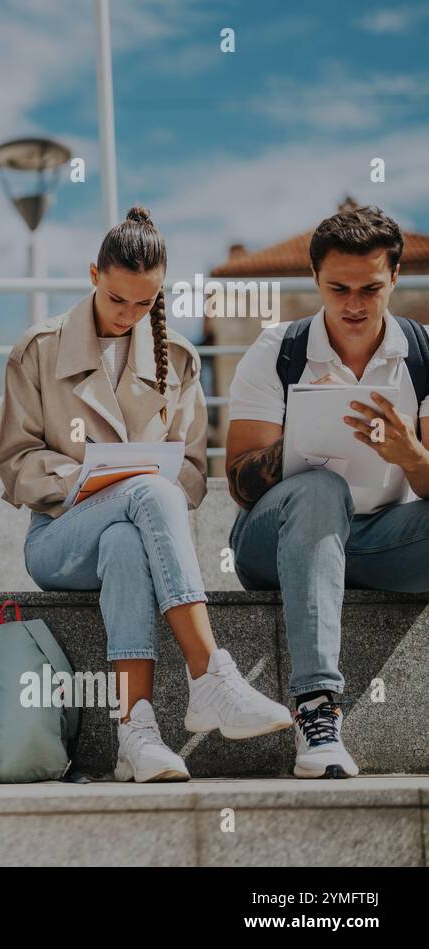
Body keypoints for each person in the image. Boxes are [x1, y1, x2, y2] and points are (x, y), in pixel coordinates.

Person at [0, 206, 293, 784]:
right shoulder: (38, 349)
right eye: (117, 300)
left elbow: (190, 473)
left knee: (133, 536)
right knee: (147, 492)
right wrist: (90, 476)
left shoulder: (175, 357)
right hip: (58, 539)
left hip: (131, 536)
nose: (130, 314)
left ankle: (137, 732)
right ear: (92, 276)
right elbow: (14, 465)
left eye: (144, 303)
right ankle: (207, 674)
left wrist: (136, 483)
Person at [225, 204, 429, 779]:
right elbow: (238, 480)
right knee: (319, 489)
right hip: (277, 540)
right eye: (338, 288)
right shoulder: (278, 350)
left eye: (371, 287)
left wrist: (410, 455)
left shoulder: (424, 355)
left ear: (395, 278)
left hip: (381, 541)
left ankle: (328, 566)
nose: (354, 304)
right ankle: (317, 710)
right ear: (315, 279)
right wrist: (299, 446)